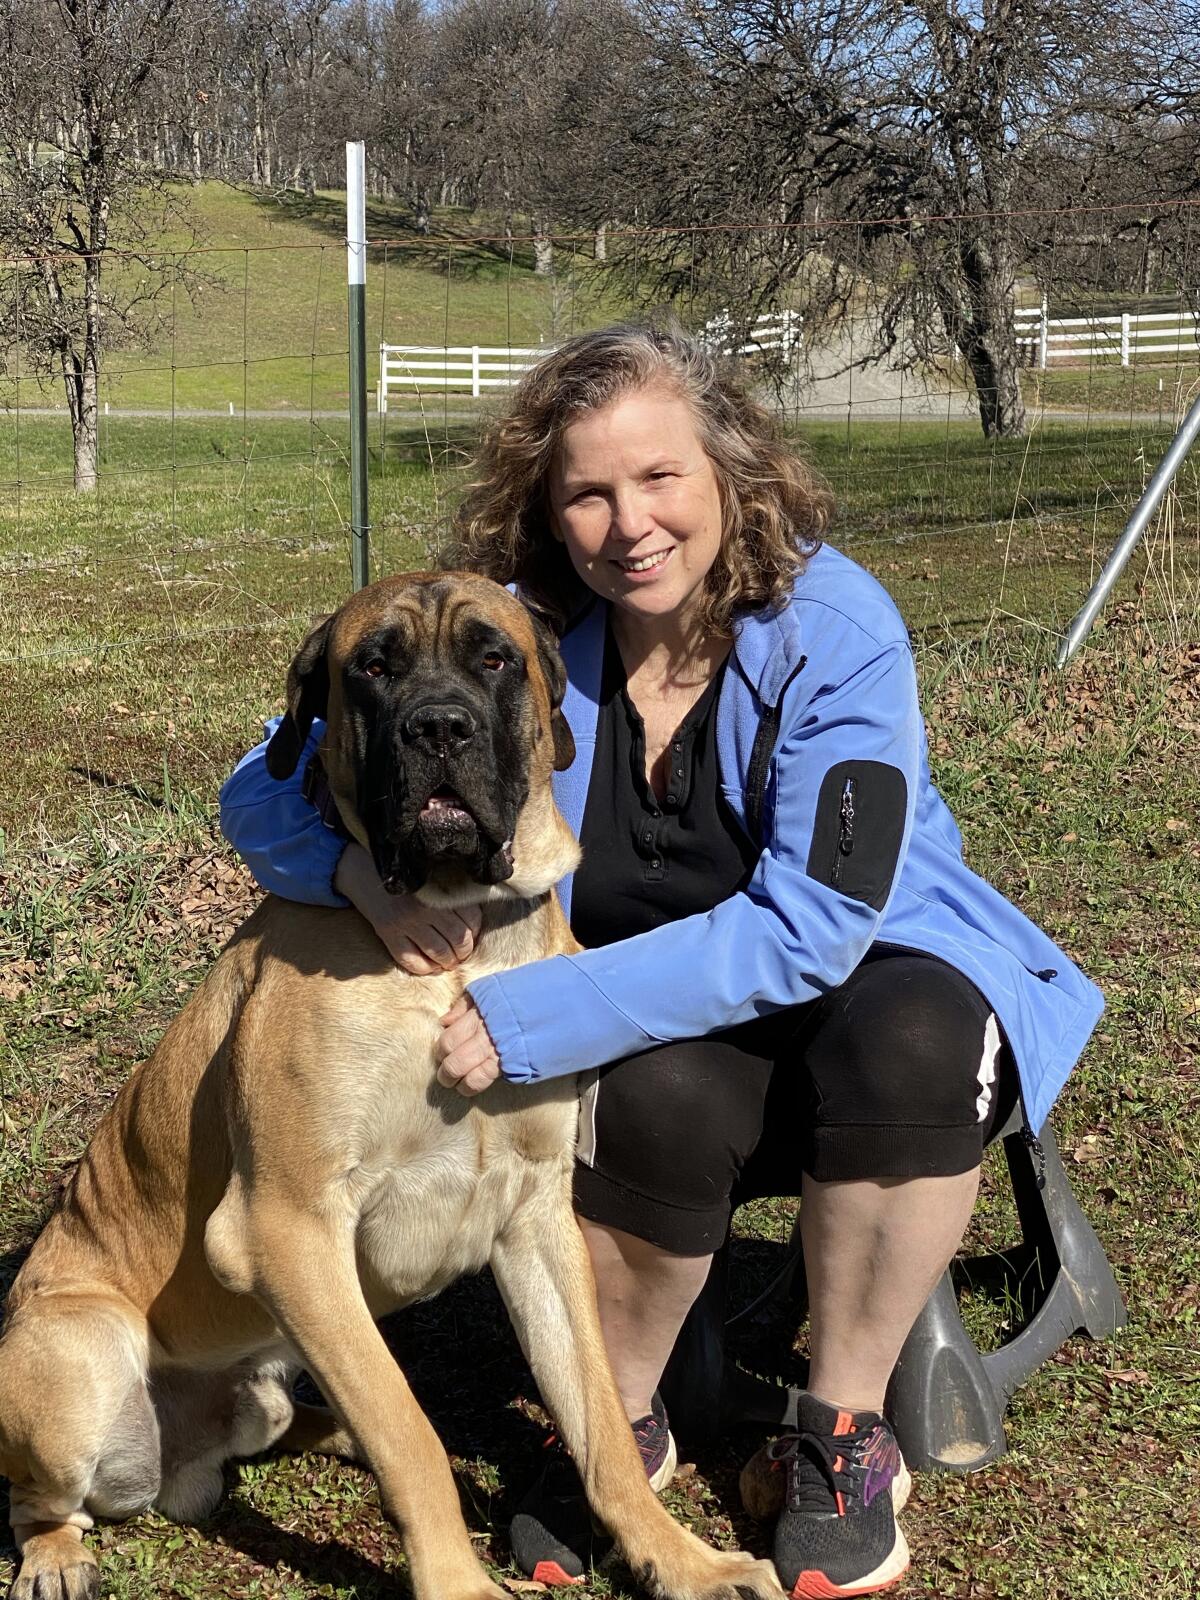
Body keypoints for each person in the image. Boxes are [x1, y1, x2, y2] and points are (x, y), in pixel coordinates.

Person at [219, 325, 1103, 1599]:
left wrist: (544, 1008)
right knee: (656, 1088)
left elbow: (817, 925)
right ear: (548, 507)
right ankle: (616, 1429)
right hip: (680, 1010)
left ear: (730, 471)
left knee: (908, 1036)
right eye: (588, 491)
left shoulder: (837, 625)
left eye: (660, 478)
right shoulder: (518, 628)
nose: (629, 523)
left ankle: (841, 1433)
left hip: (877, 980)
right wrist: (347, 870)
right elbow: (268, 775)